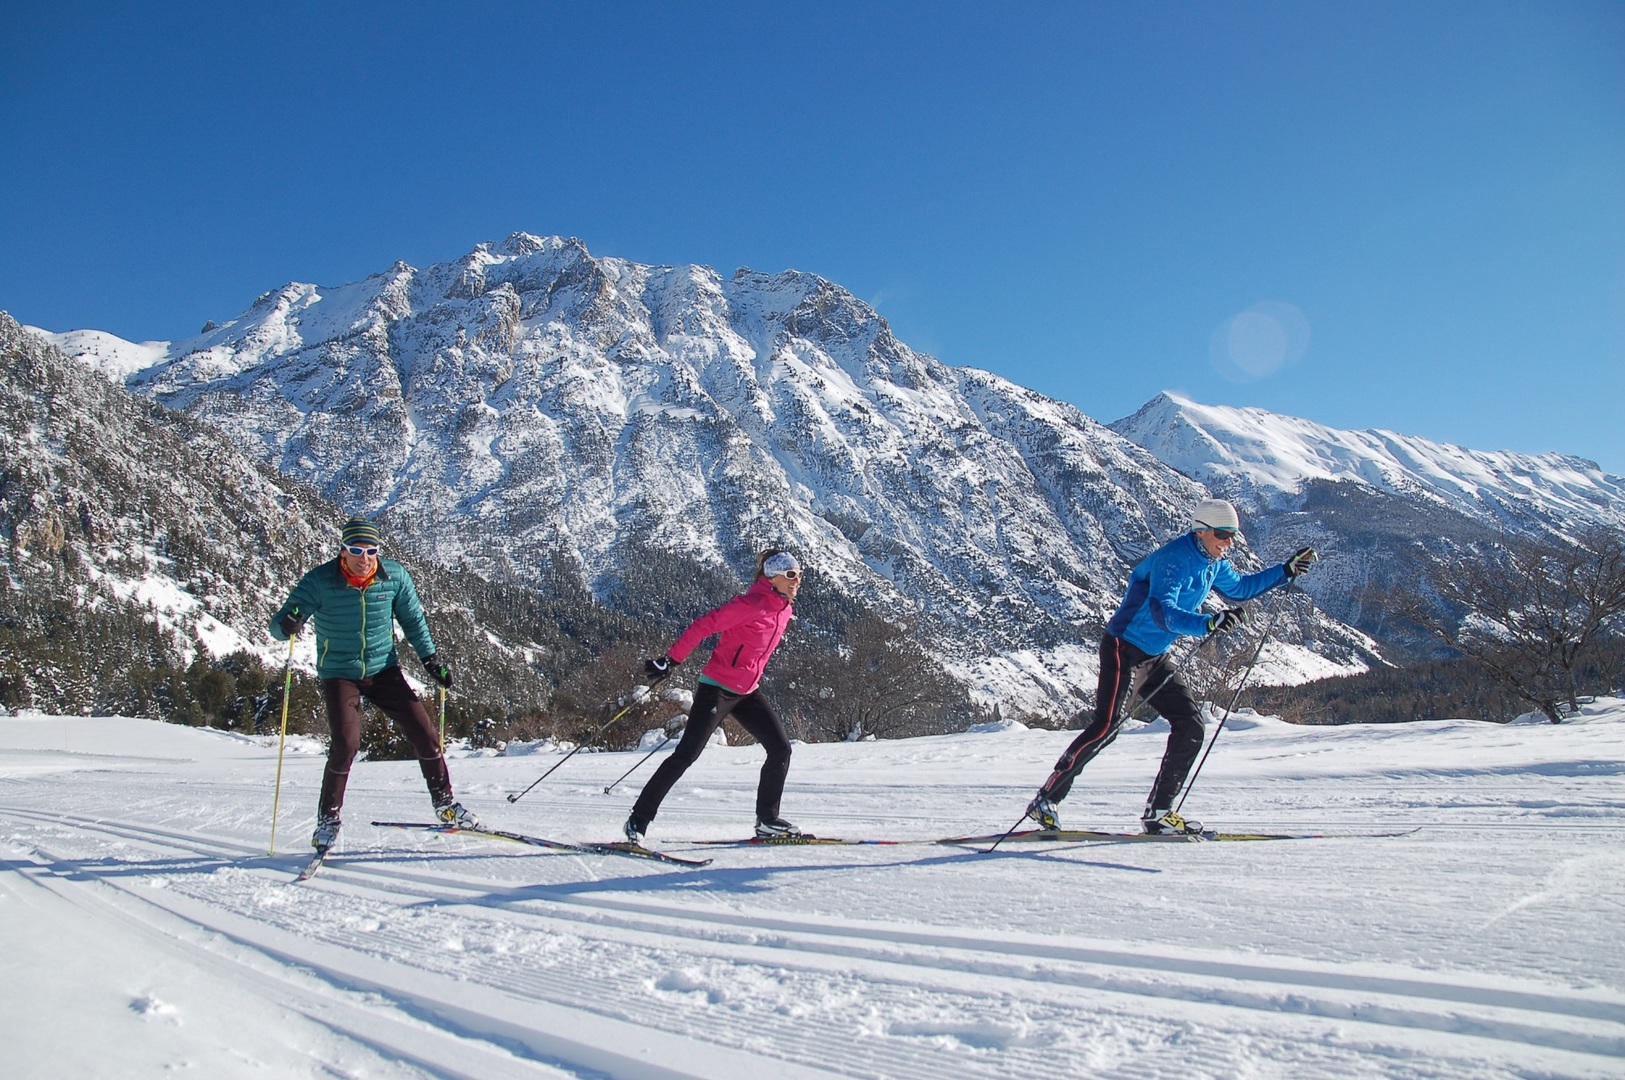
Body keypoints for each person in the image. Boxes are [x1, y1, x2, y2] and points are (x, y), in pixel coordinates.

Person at [1026, 499, 1317, 835]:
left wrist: (1285, 571)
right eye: (1224, 534)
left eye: (1233, 536)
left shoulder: (1212, 561)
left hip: (1154, 655)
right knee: (1106, 727)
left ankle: (1159, 812)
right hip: (1123, 647)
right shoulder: (1174, 560)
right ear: (1202, 530)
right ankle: (1046, 800)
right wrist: (1208, 623)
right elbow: (1164, 613)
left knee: (1191, 725)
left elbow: (1240, 588)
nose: (1229, 542)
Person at [270, 515, 478, 849]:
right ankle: (328, 820)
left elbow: (413, 620)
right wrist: (288, 624)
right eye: (356, 549)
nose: (363, 557)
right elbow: (277, 628)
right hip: (339, 673)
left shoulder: (394, 577)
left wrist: (431, 660)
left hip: (384, 670)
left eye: (371, 550)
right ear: (343, 549)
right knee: (346, 745)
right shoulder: (319, 581)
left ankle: (445, 806)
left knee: (425, 732)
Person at [624, 550, 803, 845]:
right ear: (773, 577)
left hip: (747, 691)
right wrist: (670, 660)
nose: (797, 581)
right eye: (791, 575)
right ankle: (638, 821)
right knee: (686, 754)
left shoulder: (782, 608)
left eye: (799, 574)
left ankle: (767, 821)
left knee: (781, 750)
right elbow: (704, 625)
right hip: (717, 688)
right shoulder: (751, 605)